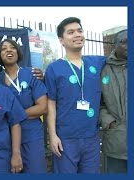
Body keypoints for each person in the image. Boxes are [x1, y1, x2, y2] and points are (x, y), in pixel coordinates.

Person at [44, 17, 106, 173]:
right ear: (61, 40)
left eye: (80, 30)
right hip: (65, 138)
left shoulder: (97, 62)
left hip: (91, 137)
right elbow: (51, 104)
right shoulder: (54, 68)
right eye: (71, 32)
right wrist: (52, 135)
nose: (77, 35)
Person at [0, 38, 48, 173]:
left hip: (31, 137)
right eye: (4, 48)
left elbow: (43, 107)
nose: (8, 50)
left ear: (18, 52)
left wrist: (15, 117)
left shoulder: (31, 74)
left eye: (12, 47)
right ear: (0, 55)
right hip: (4, 138)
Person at [99, 29, 127, 173]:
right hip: (116, 140)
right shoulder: (104, 69)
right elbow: (98, 101)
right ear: (114, 45)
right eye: (124, 42)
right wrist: (108, 121)